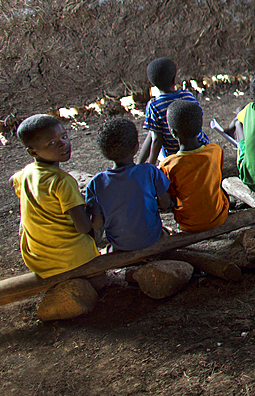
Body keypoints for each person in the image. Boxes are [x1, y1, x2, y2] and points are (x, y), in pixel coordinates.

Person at [10, 114, 99, 278]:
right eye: (52, 142)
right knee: (98, 210)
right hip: (72, 259)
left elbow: (12, 180)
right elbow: (84, 228)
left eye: (64, 136)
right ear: (32, 151)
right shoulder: (62, 181)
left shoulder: (27, 173)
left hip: (38, 260)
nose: (63, 144)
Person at [85, 117, 171, 251]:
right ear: (136, 147)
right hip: (152, 240)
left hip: (121, 246)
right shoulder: (149, 171)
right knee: (165, 233)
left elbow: (97, 224)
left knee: (110, 248)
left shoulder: (97, 183)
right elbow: (165, 203)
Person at [160, 100, 229, 233]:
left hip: (189, 225)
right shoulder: (215, 151)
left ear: (173, 133)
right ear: (200, 127)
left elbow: (170, 199)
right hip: (219, 217)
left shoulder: (169, 165)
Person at [138, 57, 209, 164]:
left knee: (154, 131)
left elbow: (157, 140)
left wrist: (151, 166)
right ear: (174, 79)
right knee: (153, 130)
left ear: (153, 84)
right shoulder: (188, 96)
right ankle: (140, 164)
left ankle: (139, 164)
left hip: (175, 154)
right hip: (201, 146)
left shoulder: (154, 105)